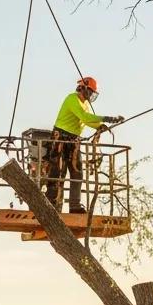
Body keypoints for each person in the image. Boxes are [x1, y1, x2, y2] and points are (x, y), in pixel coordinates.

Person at [46, 76, 123, 213]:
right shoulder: (72, 99)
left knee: (77, 173)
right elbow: (84, 117)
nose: (91, 95)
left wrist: (100, 126)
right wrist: (107, 118)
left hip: (73, 140)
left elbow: (87, 121)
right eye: (90, 91)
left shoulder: (85, 104)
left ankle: (74, 205)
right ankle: (51, 203)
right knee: (58, 172)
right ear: (83, 88)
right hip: (60, 138)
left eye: (93, 93)